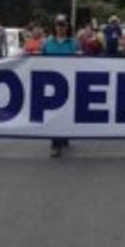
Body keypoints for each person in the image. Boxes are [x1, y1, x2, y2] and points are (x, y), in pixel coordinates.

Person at [43, 15, 78, 158]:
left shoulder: (73, 44)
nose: (60, 27)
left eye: (63, 25)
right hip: (52, 83)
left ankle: (64, 136)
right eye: (58, 25)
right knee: (53, 112)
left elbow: (80, 61)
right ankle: (55, 144)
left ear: (67, 27)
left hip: (69, 81)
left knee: (66, 111)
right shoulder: (47, 43)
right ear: (55, 26)